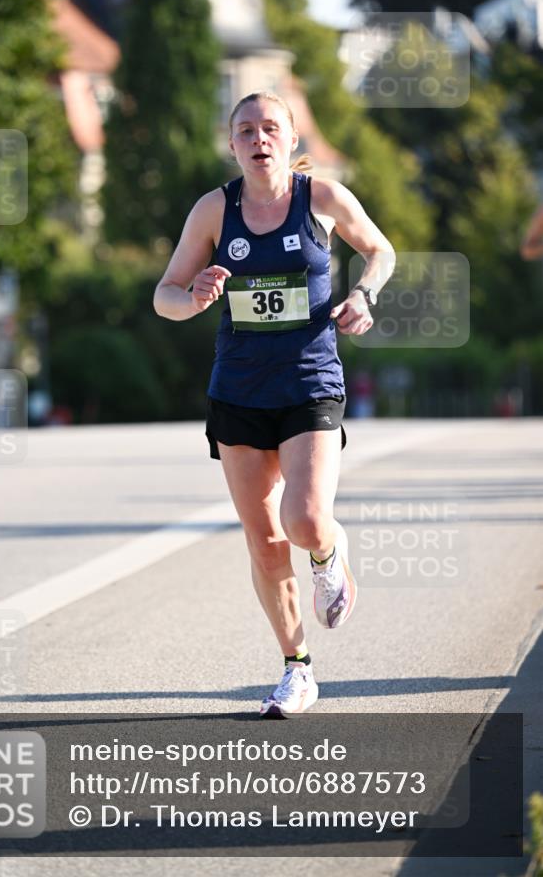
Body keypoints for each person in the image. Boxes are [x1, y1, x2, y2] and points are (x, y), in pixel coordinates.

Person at [153, 91, 395, 717]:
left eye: (270, 128)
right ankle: (297, 668)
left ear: (290, 139)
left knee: (305, 519)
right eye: (245, 130)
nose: (258, 139)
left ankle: (327, 551)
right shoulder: (213, 210)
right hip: (238, 390)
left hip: (311, 380)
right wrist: (195, 296)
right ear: (231, 144)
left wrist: (365, 295)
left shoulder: (323, 199)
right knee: (263, 540)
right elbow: (165, 297)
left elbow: (380, 250)